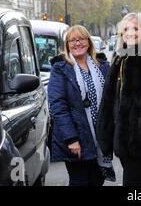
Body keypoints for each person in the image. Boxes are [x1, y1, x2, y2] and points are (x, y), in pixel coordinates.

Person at [97, 13, 141, 186]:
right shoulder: (120, 56)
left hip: (139, 138)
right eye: (126, 28)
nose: (131, 33)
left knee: (131, 180)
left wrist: (138, 123)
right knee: (137, 180)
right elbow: (111, 96)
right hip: (122, 136)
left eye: (135, 28)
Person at [48, 26, 115, 186]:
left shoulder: (102, 66)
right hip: (77, 139)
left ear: (89, 42)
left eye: (81, 39)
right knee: (79, 181)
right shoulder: (61, 68)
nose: (77, 43)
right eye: (73, 40)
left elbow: (112, 99)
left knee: (97, 180)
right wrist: (71, 139)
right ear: (67, 44)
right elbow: (58, 106)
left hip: (100, 138)